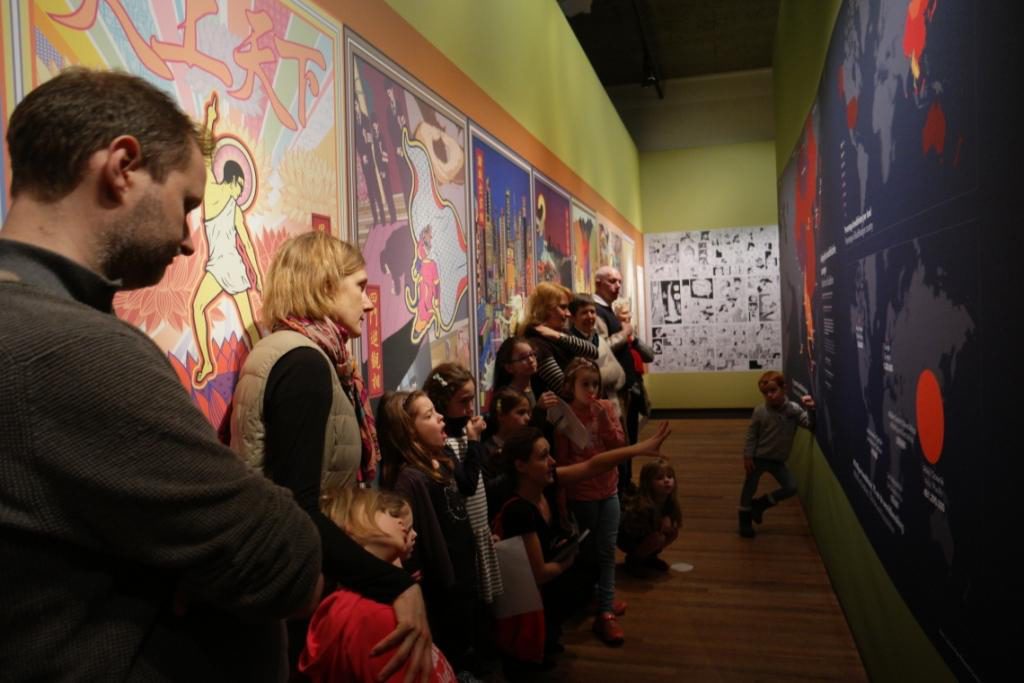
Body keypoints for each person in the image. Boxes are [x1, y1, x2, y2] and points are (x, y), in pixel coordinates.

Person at [0, 67, 321, 680]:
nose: (189, 240)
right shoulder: (70, 351)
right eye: (186, 203)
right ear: (122, 167)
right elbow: (286, 560)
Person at [230, 231, 433, 676]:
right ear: (324, 286)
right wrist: (393, 583)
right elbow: (298, 507)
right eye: (359, 286)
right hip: (300, 585)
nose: (369, 303)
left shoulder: (300, 355)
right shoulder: (303, 364)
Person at [492, 422, 672, 668]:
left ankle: (549, 636)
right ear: (520, 465)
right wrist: (568, 559)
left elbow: (593, 465)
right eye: (544, 456)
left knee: (590, 569)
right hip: (530, 597)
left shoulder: (546, 484)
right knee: (582, 574)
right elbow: (540, 574)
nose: (553, 461)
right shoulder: (520, 510)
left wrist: (640, 448)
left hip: (546, 581)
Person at [299, 488, 458, 682]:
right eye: (383, 511)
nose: (400, 521)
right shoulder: (367, 616)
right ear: (349, 524)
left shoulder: (371, 601)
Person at [377, 390, 482, 678]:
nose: (440, 417)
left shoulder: (440, 460)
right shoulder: (409, 479)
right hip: (441, 591)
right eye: (429, 415)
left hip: (463, 576)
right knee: (451, 652)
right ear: (409, 431)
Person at [552, 358, 628, 645]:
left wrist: (606, 420)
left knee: (607, 549)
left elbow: (619, 447)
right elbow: (562, 462)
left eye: (595, 384)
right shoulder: (565, 416)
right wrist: (561, 501)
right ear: (570, 386)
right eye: (585, 384)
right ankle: (597, 596)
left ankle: (605, 610)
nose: (592, 390)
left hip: (608, 489)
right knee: (588, 552)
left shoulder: (606, 408)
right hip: (581, 494)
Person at [191, 92, 263, 385]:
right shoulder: (214, 190)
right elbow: (206, 155)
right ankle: (208, 362)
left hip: (230, 265)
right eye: (240, 186)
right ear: (232, 180)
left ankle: (262, 366)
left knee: (250, 325)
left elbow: (246, 243)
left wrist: (257, 274)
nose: (241, 192)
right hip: (219, 266)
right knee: (201, 308)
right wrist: (209, 122)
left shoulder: (230, 205)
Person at [423, 363, 503, 606]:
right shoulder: (444, 441)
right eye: (463, 401)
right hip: (464, 536)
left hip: (480, 527)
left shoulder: (463, 432)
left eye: (472, 400)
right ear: (442, 401)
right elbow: (467, 485)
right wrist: (475, 441)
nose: (470, 409)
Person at [738, 371, 816, 538]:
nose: (769, 395)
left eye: (773, 390)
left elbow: (809, 424)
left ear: (784, 388)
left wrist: (810, 409)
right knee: (749, 487)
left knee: (791, 487)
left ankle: (761, 504)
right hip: (758, 459)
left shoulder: (793, 410)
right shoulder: (760, 411)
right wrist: (748, 455)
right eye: (765, 393)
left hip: (778, 460)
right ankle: (744, 519)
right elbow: (751, 435)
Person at [593, 266, 642, 493]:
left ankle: (626, 485)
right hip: (614, 389)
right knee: (621, 439)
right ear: (598, 283)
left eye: (619, 281)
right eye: (612, 281)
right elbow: (602, 348)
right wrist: (625, 332)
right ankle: (621, 489)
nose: (618, 286)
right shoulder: (598, 311)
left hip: (624, 386)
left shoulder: (608, 309)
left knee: (629, 437)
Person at [522, 281, 597, 396]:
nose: (568, 314)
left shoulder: (560, 333)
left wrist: (557, 336)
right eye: (563, 307)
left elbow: (593, 351)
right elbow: (562, 388)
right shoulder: (536, 343)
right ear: (545, 308)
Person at [619, 459, 682, 574]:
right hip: (630, 538)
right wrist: (659, 524)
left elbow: (676, 519)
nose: (667, 480)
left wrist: (667, 517)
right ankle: (634, 560)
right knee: (658, 538)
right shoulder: (642, 505)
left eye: (670, 476)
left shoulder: (669, 500)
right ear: (648, 483)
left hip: (647, 536)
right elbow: (633, 531)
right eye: (660, 478)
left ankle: (649, 557)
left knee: (673, 531)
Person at [568, 294, 626, 416]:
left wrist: (601, 375)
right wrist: (605, 375)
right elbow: (580, 380)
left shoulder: (598, 339)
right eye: (584, 313)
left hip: (610, 405)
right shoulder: (571, 342)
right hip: (585, 411)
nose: (590, 316)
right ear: (573, 318)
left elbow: (619, 374)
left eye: (592, 312)